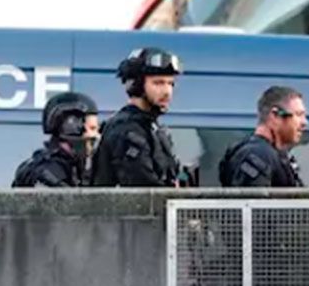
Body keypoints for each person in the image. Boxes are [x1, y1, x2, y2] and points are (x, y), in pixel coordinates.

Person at [91, 47, 182, 187]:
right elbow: (144, 189)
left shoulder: (152, 128)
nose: (167, 91)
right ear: (136, 85)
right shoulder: (126, 130)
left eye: (171, 84)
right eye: (158, 83)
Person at [219, 85, 308, 187]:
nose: (304, 122)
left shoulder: (273, 155)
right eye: (298, 114)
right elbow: (251, 196)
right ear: (275, 115)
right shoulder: (257, 155)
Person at [12, 91, 100, 187]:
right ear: (71, 127)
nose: (96, 135)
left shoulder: (70, 168)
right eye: (92, 128)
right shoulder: (48, 173)